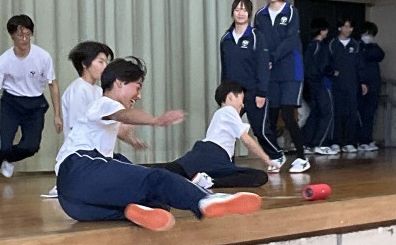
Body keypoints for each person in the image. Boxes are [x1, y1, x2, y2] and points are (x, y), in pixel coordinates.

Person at [55, 57, 262, 231]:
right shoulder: (104, 103)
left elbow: (116, 127)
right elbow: (123, 115)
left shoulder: (97, 116)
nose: (139, 95)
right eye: (137, 87)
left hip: (75, 203)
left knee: (157, 201)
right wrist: (156, 120)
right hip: (79, 169)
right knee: (155, 178)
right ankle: (206, 200)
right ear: (119, 82)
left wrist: (131, 139)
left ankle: (134, 210)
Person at [0, 14, 62, 183]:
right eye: (20, 35)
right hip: (12, 103)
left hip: (36, 104)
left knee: (31, 147)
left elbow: (53, 85)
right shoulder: (3, 62)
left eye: (28, 34)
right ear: (12, 36)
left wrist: (57, 115)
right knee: (3, 145)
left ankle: (9, 159)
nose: (24, 39)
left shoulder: (43, 57)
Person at [157, 81, 283, 188]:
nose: (243, 105)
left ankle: (206, 181)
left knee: (169, 172)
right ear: (230, 97)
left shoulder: (220, 114)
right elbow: (247, 140)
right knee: (259, 176)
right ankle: (210, 182)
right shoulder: (228, 110)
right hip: (213, 153)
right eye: (241, 99)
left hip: (211, 155)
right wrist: (267, 159)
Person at [220, 0, 284, 172]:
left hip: (254, 92)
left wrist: (261, 93)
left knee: (260, 129)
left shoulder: (257, 37)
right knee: (229, 130)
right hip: (233, 95)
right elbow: (224, 68)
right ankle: (227, 162)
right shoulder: (226, 39)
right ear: (232, 13)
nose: (240, 13)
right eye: (237, 10)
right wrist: (224, 94)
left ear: (249, 13)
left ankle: (276, 155)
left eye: (244, 10)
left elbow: (263, 67)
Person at [253, 0, 310, 173]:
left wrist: (272, 57)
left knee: (287, 113)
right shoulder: (260, 15)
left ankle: (302, 157)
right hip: (271, 72)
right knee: (270, 115)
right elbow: (258, 40)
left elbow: (290, 40)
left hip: (290, 70)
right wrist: (262, 60)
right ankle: (276, 156)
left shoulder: (291, 12)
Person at [45, 41, 116, 197]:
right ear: (84, 64)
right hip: (80, 155)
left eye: (106, 62)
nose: (105, 67)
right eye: (101, 62)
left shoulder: (98, 91)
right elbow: (79, 127)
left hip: (96, 153)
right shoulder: (78, 89)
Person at [328, 18, 368, 153]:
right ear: (339, 28)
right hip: (336, 84)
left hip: (352, 84)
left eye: (350, 27)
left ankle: (350, 142)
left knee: (351, 112)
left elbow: (360, 65)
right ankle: (336, 141)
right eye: (345, 27)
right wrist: (331, 73)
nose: (348, 30)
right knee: (337, 112)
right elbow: (326, 63)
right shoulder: (332, 44)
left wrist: (363, 82)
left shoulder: (355, 45)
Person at [302, 18, 337, 155]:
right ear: (322, 30)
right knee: (327, 112)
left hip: (311, 84)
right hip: (321, 83)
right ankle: (321, 143)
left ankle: (308, 143)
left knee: (315, 112)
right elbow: (322, 66)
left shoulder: (310, 46)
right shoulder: (320, 46)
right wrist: (332, 72)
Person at [357, 21, 385, 151]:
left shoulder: (374, 47)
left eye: (371, 34)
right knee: (361, 113)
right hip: (361, 85)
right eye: (366, 34)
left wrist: (369, 47)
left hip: (374, 84)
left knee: (370, 113)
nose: (368, 37)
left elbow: (380, 55)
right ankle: (361, 140)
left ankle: (367, 139)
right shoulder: (357, 47)